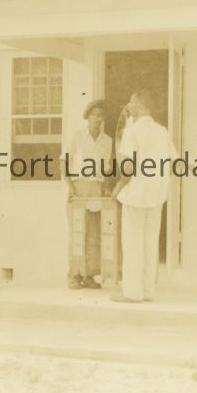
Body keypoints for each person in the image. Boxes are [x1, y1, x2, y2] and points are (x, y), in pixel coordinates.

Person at [110, 90, 175, 303]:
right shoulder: (162, 131)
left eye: (131, 102)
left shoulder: (133, 130)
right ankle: (148, 290)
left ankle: (132, 292)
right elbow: (173, 161)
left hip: (137, 193)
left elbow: (127, 167)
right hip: (157, 194)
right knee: (150, 243)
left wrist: (119, 186)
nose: (128, 106)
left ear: (140, 105)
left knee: (133, 243)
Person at [63, 99, 114, 289]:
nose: (97, 118)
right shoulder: (77, 136)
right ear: (87, 117)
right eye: (94, 115)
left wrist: (106, 188)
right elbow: (63, 162)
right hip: (78, 187)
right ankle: (74, 275)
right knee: (78, 232)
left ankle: (90, 275)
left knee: (94, 233)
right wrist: (70, 187)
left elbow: (106, 169)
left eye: (100, 115)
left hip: (96, 188)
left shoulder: (107, 141)